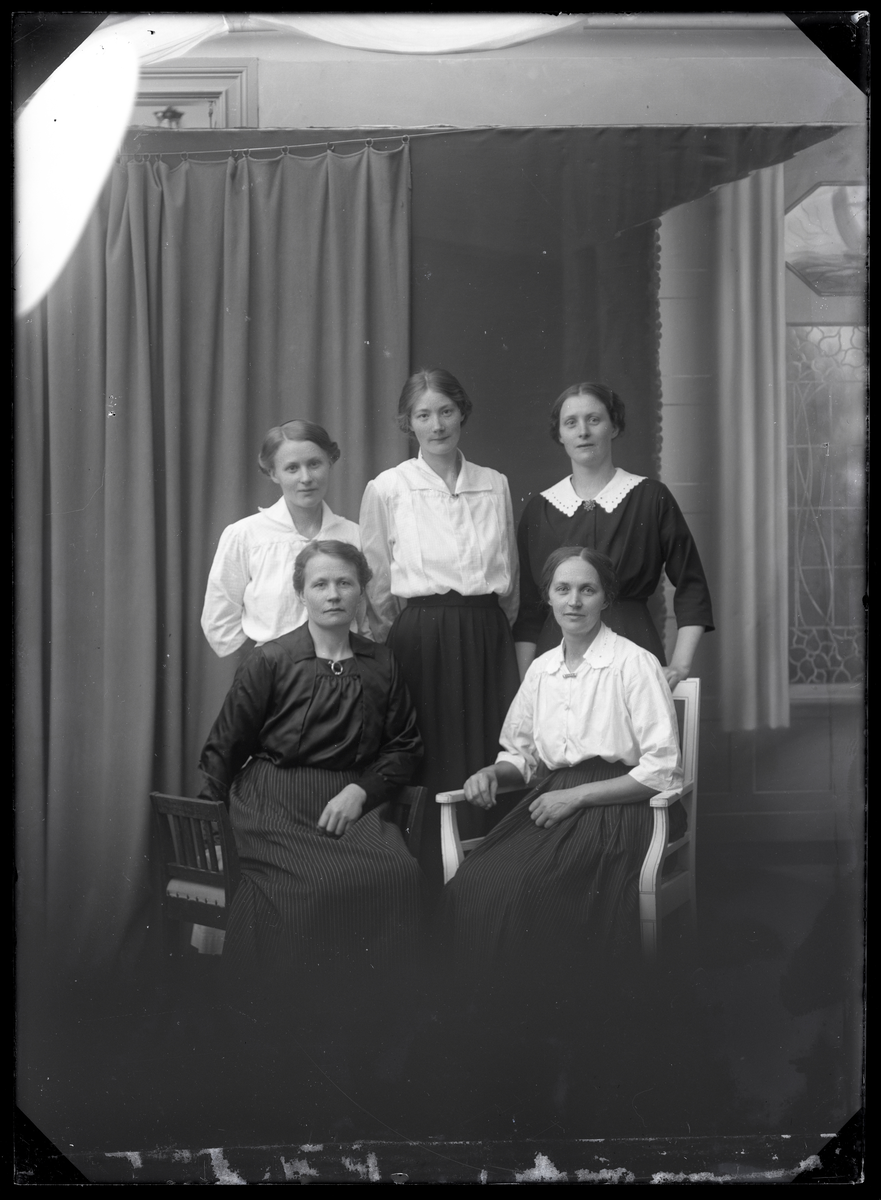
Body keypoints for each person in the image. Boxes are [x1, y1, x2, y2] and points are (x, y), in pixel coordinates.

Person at [445, 546, 683, 979]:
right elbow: (523, 757)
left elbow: (662, 770)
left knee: (528, 888)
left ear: (606, 598)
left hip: (620, 807)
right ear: (549, 597)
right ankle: (489, 1011)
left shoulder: (633, 663)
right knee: (475, 880)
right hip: (553, 800)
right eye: (563, 589)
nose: (574, 601)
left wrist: (577, 796)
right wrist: (491, 772)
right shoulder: (542, 670)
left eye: (587, 590)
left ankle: (552, 1009)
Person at [198, 540, 424, 993]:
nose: (333, 594)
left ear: (361, 590)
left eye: (345, 583)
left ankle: (371, 1010)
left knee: (399, 874)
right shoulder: (271, 659)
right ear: (301, 593)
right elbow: (223, 747)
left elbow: (404, 747)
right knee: (313, 886)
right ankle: (294, 1012)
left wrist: (361, 791)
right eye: (320, 584)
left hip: (350, 802)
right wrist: (213, 834)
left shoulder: (381, 662)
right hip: (274, 801)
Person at [358, 368, 520, 886]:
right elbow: (376, 584)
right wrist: (403, 639)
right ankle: (429, 882)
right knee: (431, 755)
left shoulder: (494, 483)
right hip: (420, 639)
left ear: (462, 413)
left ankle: (491, 881)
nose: (437, 425)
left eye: (446, 411)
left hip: (486, 634)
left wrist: (494, 633)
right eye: (423, 415)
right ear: (408, 423)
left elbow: (511, 576)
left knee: (491, 749)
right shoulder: (388, 488)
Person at [514, 382, 713, 688]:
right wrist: (527, 684)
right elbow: (529, 611)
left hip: (633, 652)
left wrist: (680, 665)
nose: (583, 431)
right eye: (571, 423)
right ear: (560, 434)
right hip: (557, 661)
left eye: (594, 419)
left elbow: (692, 585)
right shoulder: (539, 510)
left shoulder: (650, 497)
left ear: (614, 426)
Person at [201, 420, 365, 658]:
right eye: (292, 468)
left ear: (330, 462)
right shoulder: (245, 535)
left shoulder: (353, 535)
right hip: (273, 674)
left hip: (342, 670)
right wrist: (266, 665)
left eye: (314, 464)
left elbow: (365, 618)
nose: (306, 478)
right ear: (273, 473)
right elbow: (218, 621)